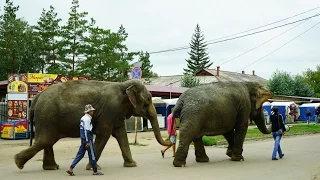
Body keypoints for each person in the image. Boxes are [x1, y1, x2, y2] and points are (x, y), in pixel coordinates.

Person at [66, 104, 104, 176]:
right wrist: (87, 141)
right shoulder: (87, 119)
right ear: (89, 111)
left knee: (80, 154)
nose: (93, 112)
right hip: (88, 139)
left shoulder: (83, 118)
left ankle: (71, 168)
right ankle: (95, 171)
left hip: (83, 139)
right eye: (92, 111)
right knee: (92, 155)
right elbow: (87, 130)